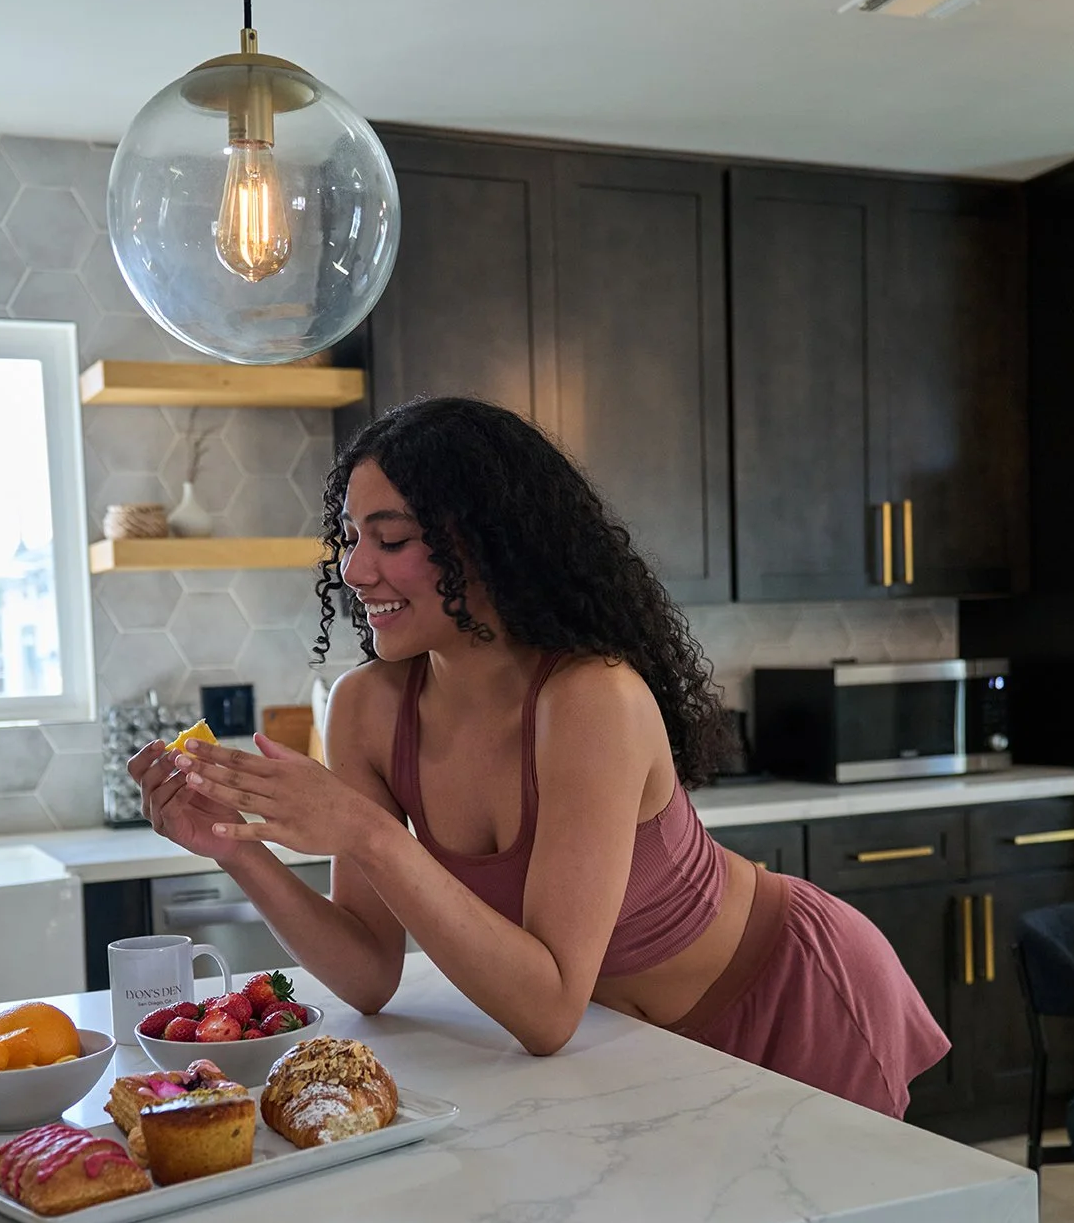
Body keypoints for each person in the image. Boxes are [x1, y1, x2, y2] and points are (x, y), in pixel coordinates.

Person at [129, 398, 947, 1116]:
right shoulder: (369, 709)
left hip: (788, 992)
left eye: (392, 539)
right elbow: (369, 974)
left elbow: (550, 1009)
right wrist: (235, 847)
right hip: (635, 1042)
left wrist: (368, 835)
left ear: (485, 544)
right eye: (349, 539)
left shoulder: (591, 698)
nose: (354, 569)